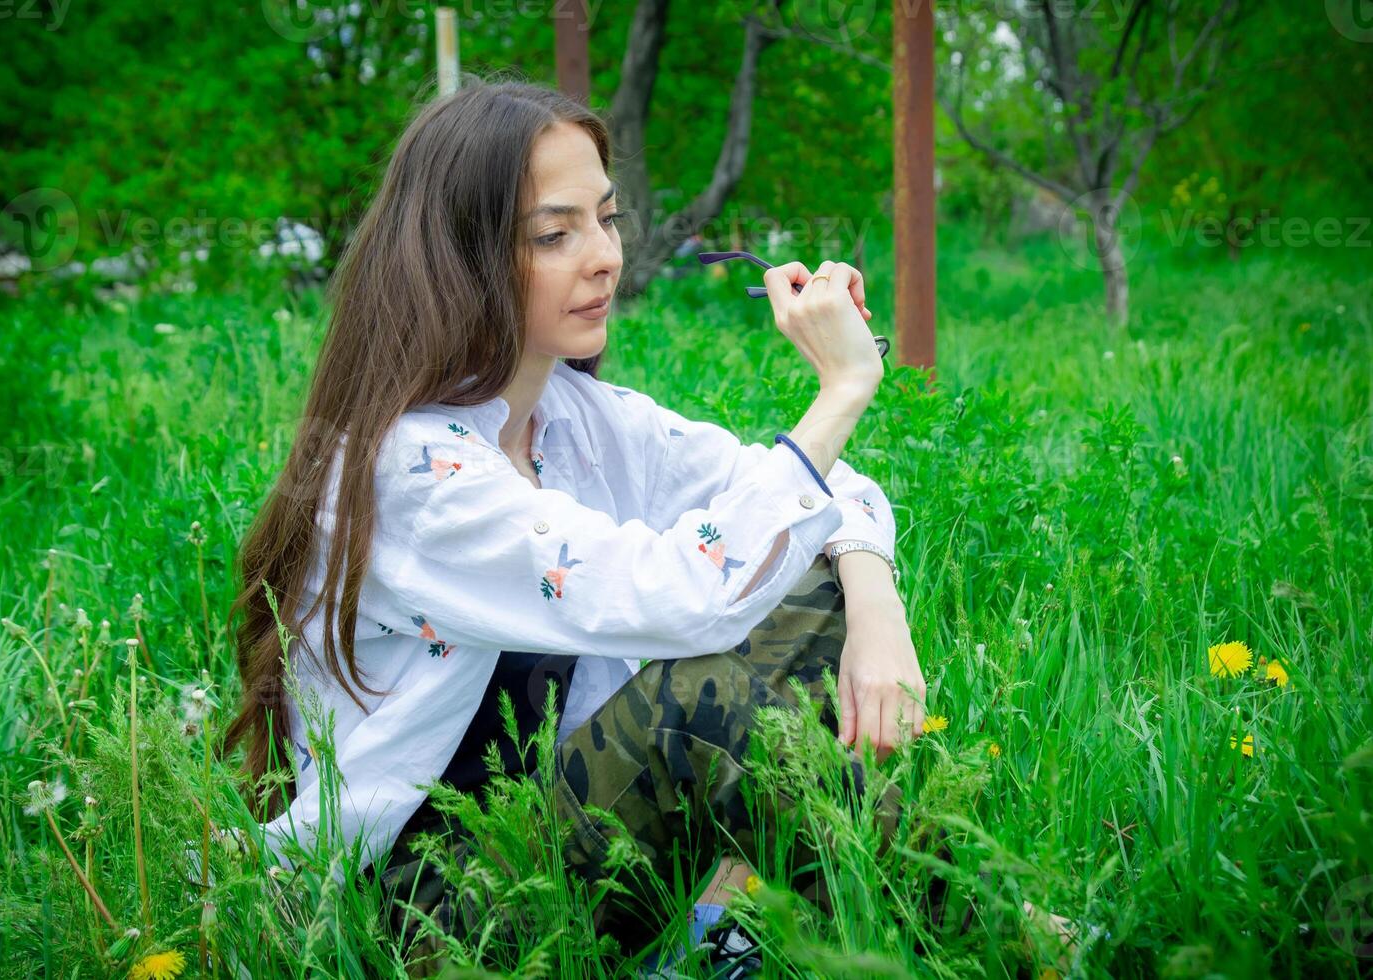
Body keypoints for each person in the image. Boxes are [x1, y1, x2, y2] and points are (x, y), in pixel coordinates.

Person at [223, 77, 931, 976]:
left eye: (607, 218)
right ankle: (982, 931)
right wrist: (841, 389)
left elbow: (828, 493)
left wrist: (877, 611)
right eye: (555, 235)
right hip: (435, 910)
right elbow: (694, 598)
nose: (602, 256)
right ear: (461, 259)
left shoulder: (571, 415)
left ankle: (734, 935)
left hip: (576, 853)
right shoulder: (414, 473)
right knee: (695, 704)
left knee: (813, 584)